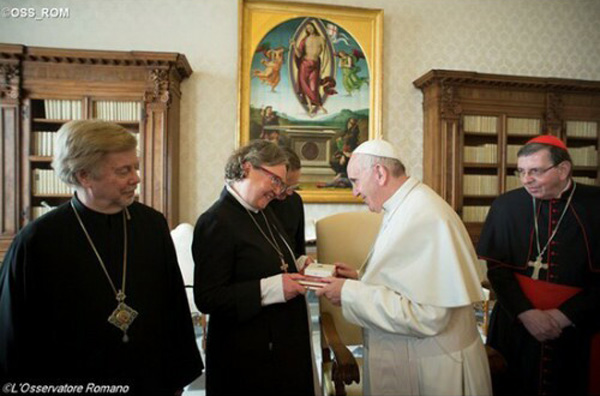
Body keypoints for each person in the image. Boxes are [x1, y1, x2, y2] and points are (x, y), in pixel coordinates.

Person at [0, 120, 203, 394]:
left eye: (135, 167)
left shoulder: (152, 225)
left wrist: (177, 377)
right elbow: (14, 336)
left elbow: (174, 305)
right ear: (85, 175)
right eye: (124, 171)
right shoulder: (36, 241)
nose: (137, 178)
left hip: (149, 380)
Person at [317, 139, 492, 396]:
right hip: (415, 360)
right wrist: (360, 278)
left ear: (379, 173)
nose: (354, 191)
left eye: (355, 180)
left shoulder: (424, 216)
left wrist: (348, 292)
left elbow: (428, 315)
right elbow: (410, 280)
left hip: (434, 368)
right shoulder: (407, 205)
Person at [477, 135, 600, 395]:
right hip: (518, 322)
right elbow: (497, 270)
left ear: (563, 169)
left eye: (535, 171)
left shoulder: (595, 204)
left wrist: (564, 316)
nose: (526, 180)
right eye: (521, 171)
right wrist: (525, 313)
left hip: (579, 324)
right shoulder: (506, 206)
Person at [192, 140, 317, 396]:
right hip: (247, 355)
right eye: (275, 181)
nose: (278, 191)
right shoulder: (215, 221)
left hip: (281, 344)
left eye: (282, 184)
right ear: (247, 167)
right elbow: (208, 297)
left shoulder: (262, 211)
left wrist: (300, 265)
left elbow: (275, 256)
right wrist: (272, 288)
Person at [290, 20, 335, 116]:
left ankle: (319, 106)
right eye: (307, 29)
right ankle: (311, 108)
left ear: (314, 27)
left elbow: (326, 55)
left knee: (314, 87)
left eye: (310, 27)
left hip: (315, 65)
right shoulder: (304, 40)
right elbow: (298, 55)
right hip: (304, 64)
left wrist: (323, 67)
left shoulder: (321, 39)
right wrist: (294, 46)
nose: (309, 30)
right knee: (305, 86)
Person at [269, 146, 306, 257]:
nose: (289, 193)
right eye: (284, 186)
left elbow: (299, 248)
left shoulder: (295, 201)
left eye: (293, 186)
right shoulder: (258, 203)